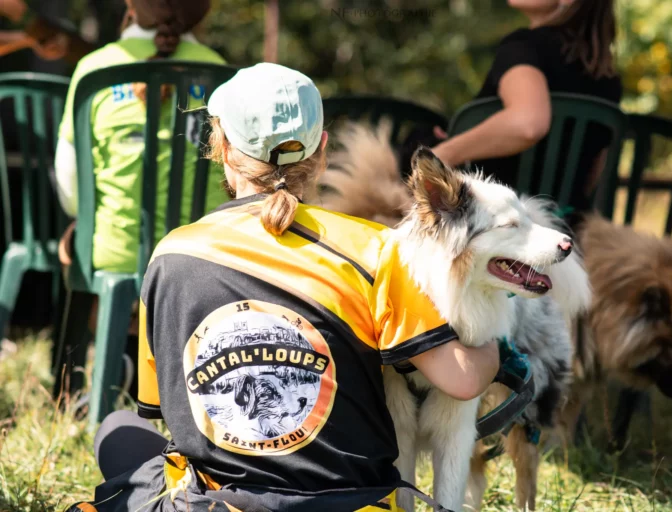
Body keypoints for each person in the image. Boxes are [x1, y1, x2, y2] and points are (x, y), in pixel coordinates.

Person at [66, 63, 501, 512]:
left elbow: (163, 409)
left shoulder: (172, 255)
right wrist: (492, 343)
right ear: (323, 151)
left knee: (117, 428)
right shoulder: (376, 249)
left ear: (223, 149)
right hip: (353, 504)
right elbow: (464, 380)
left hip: (218, 504)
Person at [53, 0, 229, 397]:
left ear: (132, 6)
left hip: (113, 249)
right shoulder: (219, 71)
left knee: (80, 237)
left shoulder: (95, 68)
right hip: (197, 253)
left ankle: (109, 370)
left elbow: (69, 187)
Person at [432, 0, 622, 218]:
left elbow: (528, 124)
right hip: (568, 224)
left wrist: (443, 154)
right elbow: (593, 174)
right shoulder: (607, 78)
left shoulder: (524, 47)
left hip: (493, 221)